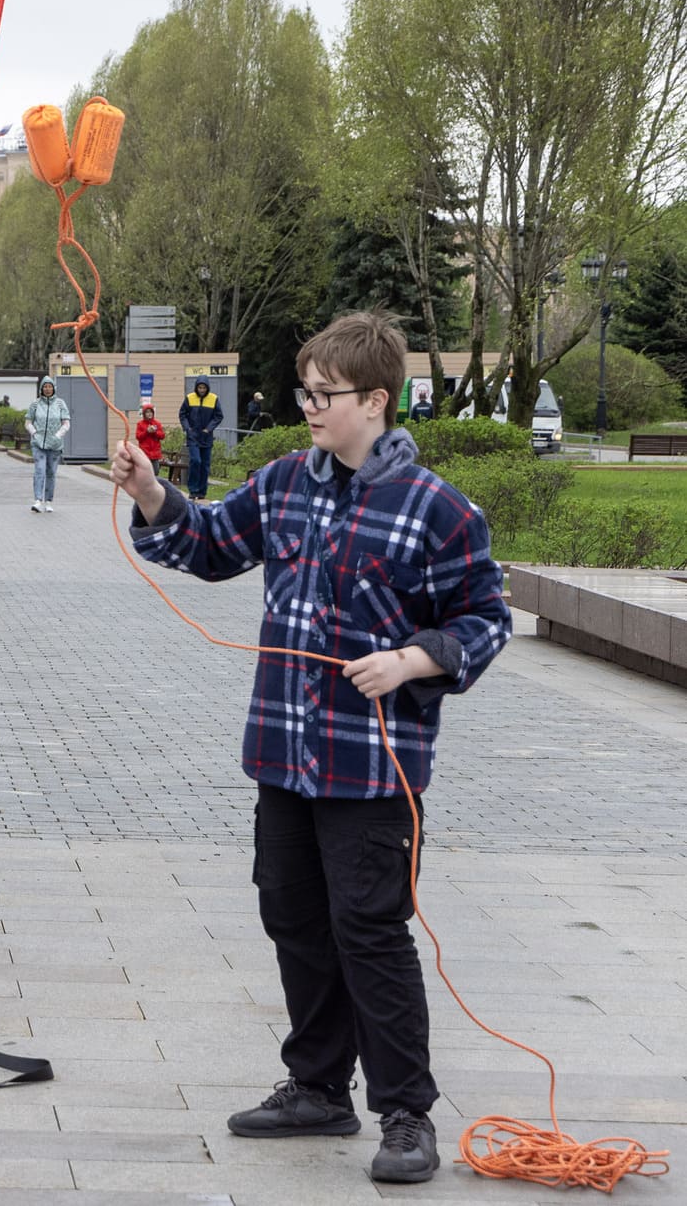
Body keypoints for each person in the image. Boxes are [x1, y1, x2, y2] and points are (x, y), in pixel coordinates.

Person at [109, 311, 511, 1185]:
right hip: (284, 756)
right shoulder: (288, 479)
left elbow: (486, 618)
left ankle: (406, 1113)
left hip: (373, 767)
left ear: (376, 399)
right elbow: (213, 543)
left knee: (369, 928)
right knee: (291, 915)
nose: (309, 408)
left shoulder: (438, 510)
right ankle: (318, 1085)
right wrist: (149, 491)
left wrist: (411, 659)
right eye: (305, 390)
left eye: (323, 395)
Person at [23, 377, 70, 513]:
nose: (47, 389)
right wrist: (34, 433)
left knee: (51, 473)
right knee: (39, 470)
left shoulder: (61, 404)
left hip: (55, 445)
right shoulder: (35, 404)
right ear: (41, 389)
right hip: (38, 444)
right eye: (45, 387)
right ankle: (38, 500)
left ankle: (48, 501)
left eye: (50, 386)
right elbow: (28, 422)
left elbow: (66, 423)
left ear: (53, 388)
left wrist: (58, 436)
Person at [179, 377, 223, 499]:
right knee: (195, 461)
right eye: (200, 387)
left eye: (204, 387)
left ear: (207, 388)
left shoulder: (213, 399)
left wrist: (209, 428)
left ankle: (202, 491)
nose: (202, 390)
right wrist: (187, 428)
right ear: (196, 387)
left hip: (206, 437)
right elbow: (182, 414)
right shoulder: (190, 398)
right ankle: (193, 490)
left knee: (205, 464)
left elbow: (218, 416)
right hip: (193, 436)